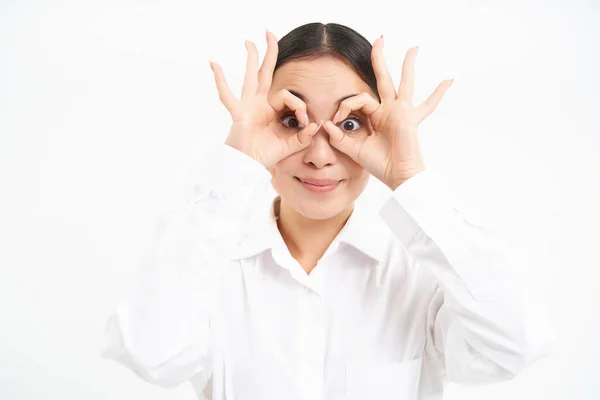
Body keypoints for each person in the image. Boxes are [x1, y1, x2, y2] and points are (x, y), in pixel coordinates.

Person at [101, 22, 557, 400]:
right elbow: (150, 353)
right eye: (290, 120)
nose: (319, 155)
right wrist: (235, 165)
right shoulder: (210, 266)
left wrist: (409, 175)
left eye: (350, 123)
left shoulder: (422, 275)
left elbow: (515, 345)